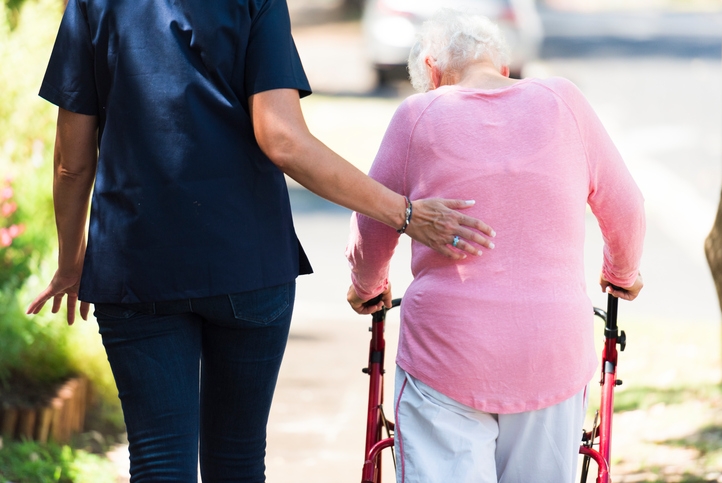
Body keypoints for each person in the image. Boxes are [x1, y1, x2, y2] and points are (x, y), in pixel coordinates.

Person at [25, 1, 497, 482]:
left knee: (159, 461)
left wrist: (70, 261)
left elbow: (71, 161)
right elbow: (283, 139)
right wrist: (406, 214)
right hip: (247, 263)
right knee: (238, 460)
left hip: (135, 265)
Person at [346, 9, 645, 483]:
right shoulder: (565, 100)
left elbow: (371, 222)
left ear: (432, 70)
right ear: (502, 68)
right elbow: (626, 208)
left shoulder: (418, 114)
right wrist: (621, 274)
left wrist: (367, 286)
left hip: (447, 352)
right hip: (551, 350)